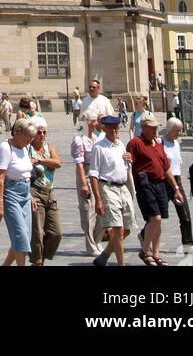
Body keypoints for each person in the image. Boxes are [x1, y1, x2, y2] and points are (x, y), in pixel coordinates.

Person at [126, 112, 181, 267]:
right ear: (143, 128)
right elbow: (128, 163)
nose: (155, 130)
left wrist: (176, 187)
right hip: (145, 185)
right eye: (152, 127)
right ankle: (145, 251)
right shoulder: (135, 143)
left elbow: (166, 168)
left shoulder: (157, 143)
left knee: (159, 221)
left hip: (161, 184)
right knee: (154, 218)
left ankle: (156, 254)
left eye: (156, 127)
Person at [89, 115, 134, 267]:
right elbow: (93, 174)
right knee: (118, 229)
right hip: (108, 188)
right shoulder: (99, 147)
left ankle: (105, 255)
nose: (115, 130)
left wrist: (129, 159)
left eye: (117, 127)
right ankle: (121, 264)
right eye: (111, 128)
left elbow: (125, 167)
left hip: (123, 187)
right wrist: (98, 199)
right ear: (104, 129)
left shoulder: (121, 144)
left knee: (126, 229)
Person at [0, 119, 38, 266]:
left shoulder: (25, 148)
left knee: (24, 236)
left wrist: (30, 195)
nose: (30, 140)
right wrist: (0, 204)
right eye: (28, 136)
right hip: (11, 194)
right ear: (18, 132)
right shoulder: (6, 148)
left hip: (25, 193)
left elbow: (25, 175)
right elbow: (0, 177)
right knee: (20, 236)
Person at [28, 118, 62, 266]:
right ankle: (37, 262)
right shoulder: (27, 149)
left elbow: (58, 162)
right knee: (37, 233)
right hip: (34, 191)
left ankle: (42, 257)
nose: (42, 135)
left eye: (44, 132)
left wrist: (40, 160)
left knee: (56, 232)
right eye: (39, 132)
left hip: (50, 192)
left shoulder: (49, 147)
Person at [72, 110, 104, 257]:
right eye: (92, 122)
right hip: (85, 174)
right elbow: (79, 164)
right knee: (87, 211)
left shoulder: (96, 139)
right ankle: (90, 244)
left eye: (95, 121)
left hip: (96, 175)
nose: (95, 124)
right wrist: (84, 184)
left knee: (101, 210)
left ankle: (98, 240)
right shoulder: (79, 140)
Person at [161, 117, 193, 251]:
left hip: (176, 181)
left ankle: (188, 243)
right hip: (163, 181)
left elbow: (178, 164)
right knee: (158, 215)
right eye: (176, 131)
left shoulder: (177, 144)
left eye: (180, 131)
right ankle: (145, 235)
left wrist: (179, 184)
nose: (179, 133)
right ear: (169, 130)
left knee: (185, 214)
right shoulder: (159, 143)